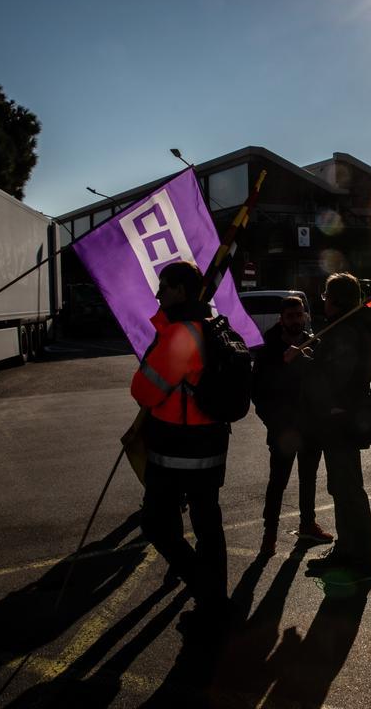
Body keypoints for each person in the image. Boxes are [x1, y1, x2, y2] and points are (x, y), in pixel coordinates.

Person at [131, 261, 230, 614]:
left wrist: (161, 333)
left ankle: (206, 590)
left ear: (181, 291)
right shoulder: (208, 327)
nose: (158, 294)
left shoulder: (180, 335)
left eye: (164, 287)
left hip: (177, 447)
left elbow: (144, 390)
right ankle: (214, 601)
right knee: (207, 526)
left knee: (156, 523)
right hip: (211, 444)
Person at [300, 272, 371, 585]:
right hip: (340, 421)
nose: (323, 302)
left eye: (326, 295)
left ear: (335, 299)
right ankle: (346, 550)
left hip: (342, 422)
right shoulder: (347, 327)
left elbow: (337, 376)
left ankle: (360, 559)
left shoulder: (346, 330)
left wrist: (306, 363)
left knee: (348, 491)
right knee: (341, 488)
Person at [252, 295, 332, 557]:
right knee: (278, 482)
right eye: (290, 316)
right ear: (281, 319)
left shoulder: (314, 343)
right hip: (283, 429)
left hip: (310, 427)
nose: (296, 320)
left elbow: (323, 386)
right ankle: (270, 533)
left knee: (309, 479)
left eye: (299, 315)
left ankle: (307, 524)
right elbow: (259, 391)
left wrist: (307, 362)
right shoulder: (269, 347)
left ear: (305, 316)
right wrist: (273, 421)